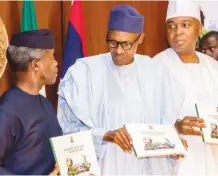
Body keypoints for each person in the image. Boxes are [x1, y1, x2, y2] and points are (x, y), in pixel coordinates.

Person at [58, 4, 180, 175]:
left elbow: (163, 128)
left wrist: (173, 144)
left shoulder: (157, 73)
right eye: (113, 42)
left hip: (145, 169)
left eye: (126, 44)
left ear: (140, 39)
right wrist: (103, 135)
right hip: (103, 167)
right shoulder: (84, 73)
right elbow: (67, 129)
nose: (118, 50)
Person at [0, 29, 63, 175]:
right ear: (35, 64)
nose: (56, 63)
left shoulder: (46, 104)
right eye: (52, 56)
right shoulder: (5, 111)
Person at [153, 1, 218, 175]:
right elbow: (143, 117)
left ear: (199, 28)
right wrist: (174, 127)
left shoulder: (213, 67)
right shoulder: (155, 66)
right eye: (171, 26)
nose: (177, 32)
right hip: (176, 164)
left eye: (185, 25)